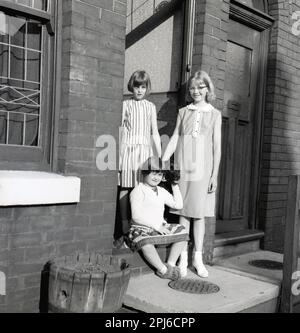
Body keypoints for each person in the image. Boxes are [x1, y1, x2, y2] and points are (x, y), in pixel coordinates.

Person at [162, 70, 222, 278]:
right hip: (183, 167)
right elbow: (175, 138)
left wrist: (214, 175)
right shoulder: (183, 111)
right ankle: (182, 258)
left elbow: (216, 147)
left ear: (208, 89)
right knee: (183, 213)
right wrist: (163, 160)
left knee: (199, 214)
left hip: (203, 169)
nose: (196, 91)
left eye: (200, 87)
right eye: (193, 88)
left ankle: (197, 257)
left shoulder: (214, 114)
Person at [115, 70, 162, 249]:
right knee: (126, 188)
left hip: (144, 152)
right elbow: (120, 131)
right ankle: (126, 227)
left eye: (143, 87)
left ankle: (140, 227)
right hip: (128, 151)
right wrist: (119, 157)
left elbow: (155, 133)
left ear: (147, 88)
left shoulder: (150, 107)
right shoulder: (125, 104)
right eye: (137, 86)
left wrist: (161, 156)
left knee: (143, 190)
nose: (140, 90)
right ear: (132, 87)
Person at [127, 157, 189, 280]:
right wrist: (156, 226)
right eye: (153, 174)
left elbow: (178, 205)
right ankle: (163, 269)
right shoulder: (138, 191)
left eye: (160, 174)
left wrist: (174, 185)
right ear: (145, 172)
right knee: (146, 244)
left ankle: (170, 264)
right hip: (141, 229)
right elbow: (136, 216)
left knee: (183, 231)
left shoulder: (161, 191)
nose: (156, 178)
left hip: (159, 227)